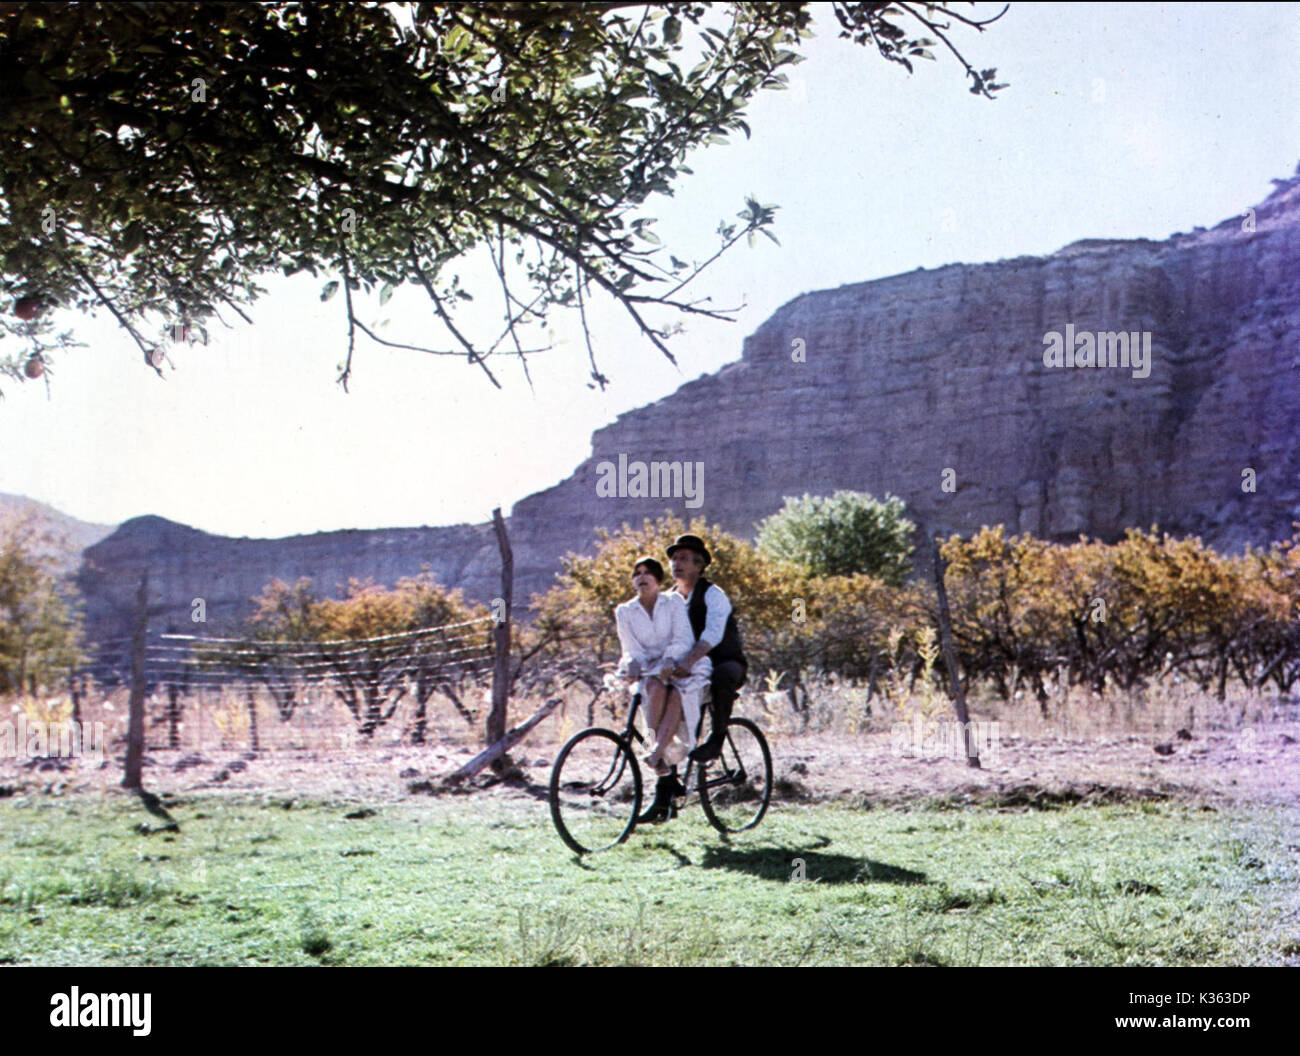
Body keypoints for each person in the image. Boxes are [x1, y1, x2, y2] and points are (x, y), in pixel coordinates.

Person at [613, 556, 711, 822]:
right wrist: (633, 663)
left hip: (680, 664)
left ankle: (656, 757)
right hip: (651, 671)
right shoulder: (625, 611)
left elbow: (683, 638)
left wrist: (669, 658)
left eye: (647, 573)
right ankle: (661, 765)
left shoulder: (673, 603)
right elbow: (630, 648)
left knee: (677, 692)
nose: (641, 577)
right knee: (654, 688)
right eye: (637, 573)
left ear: (658, 580)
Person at [665, 534, 748, 763]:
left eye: (683, 559)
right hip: (690, 668)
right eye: (673, 559)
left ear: (698, 565)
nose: (676, 564)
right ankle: (668, 779)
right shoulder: (669, 599)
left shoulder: (713, 595)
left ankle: (716, 739)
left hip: (723, 661)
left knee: (723, 675)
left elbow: (712, 635)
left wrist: (688, 662)